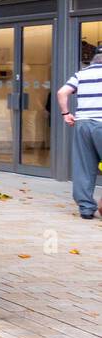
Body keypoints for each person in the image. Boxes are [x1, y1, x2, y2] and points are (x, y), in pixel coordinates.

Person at [58, 51, 102, 218]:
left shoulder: (81, 74)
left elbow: (62, 92)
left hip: (82, 124)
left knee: (84, 167)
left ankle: (85, 208)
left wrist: (66, 113)